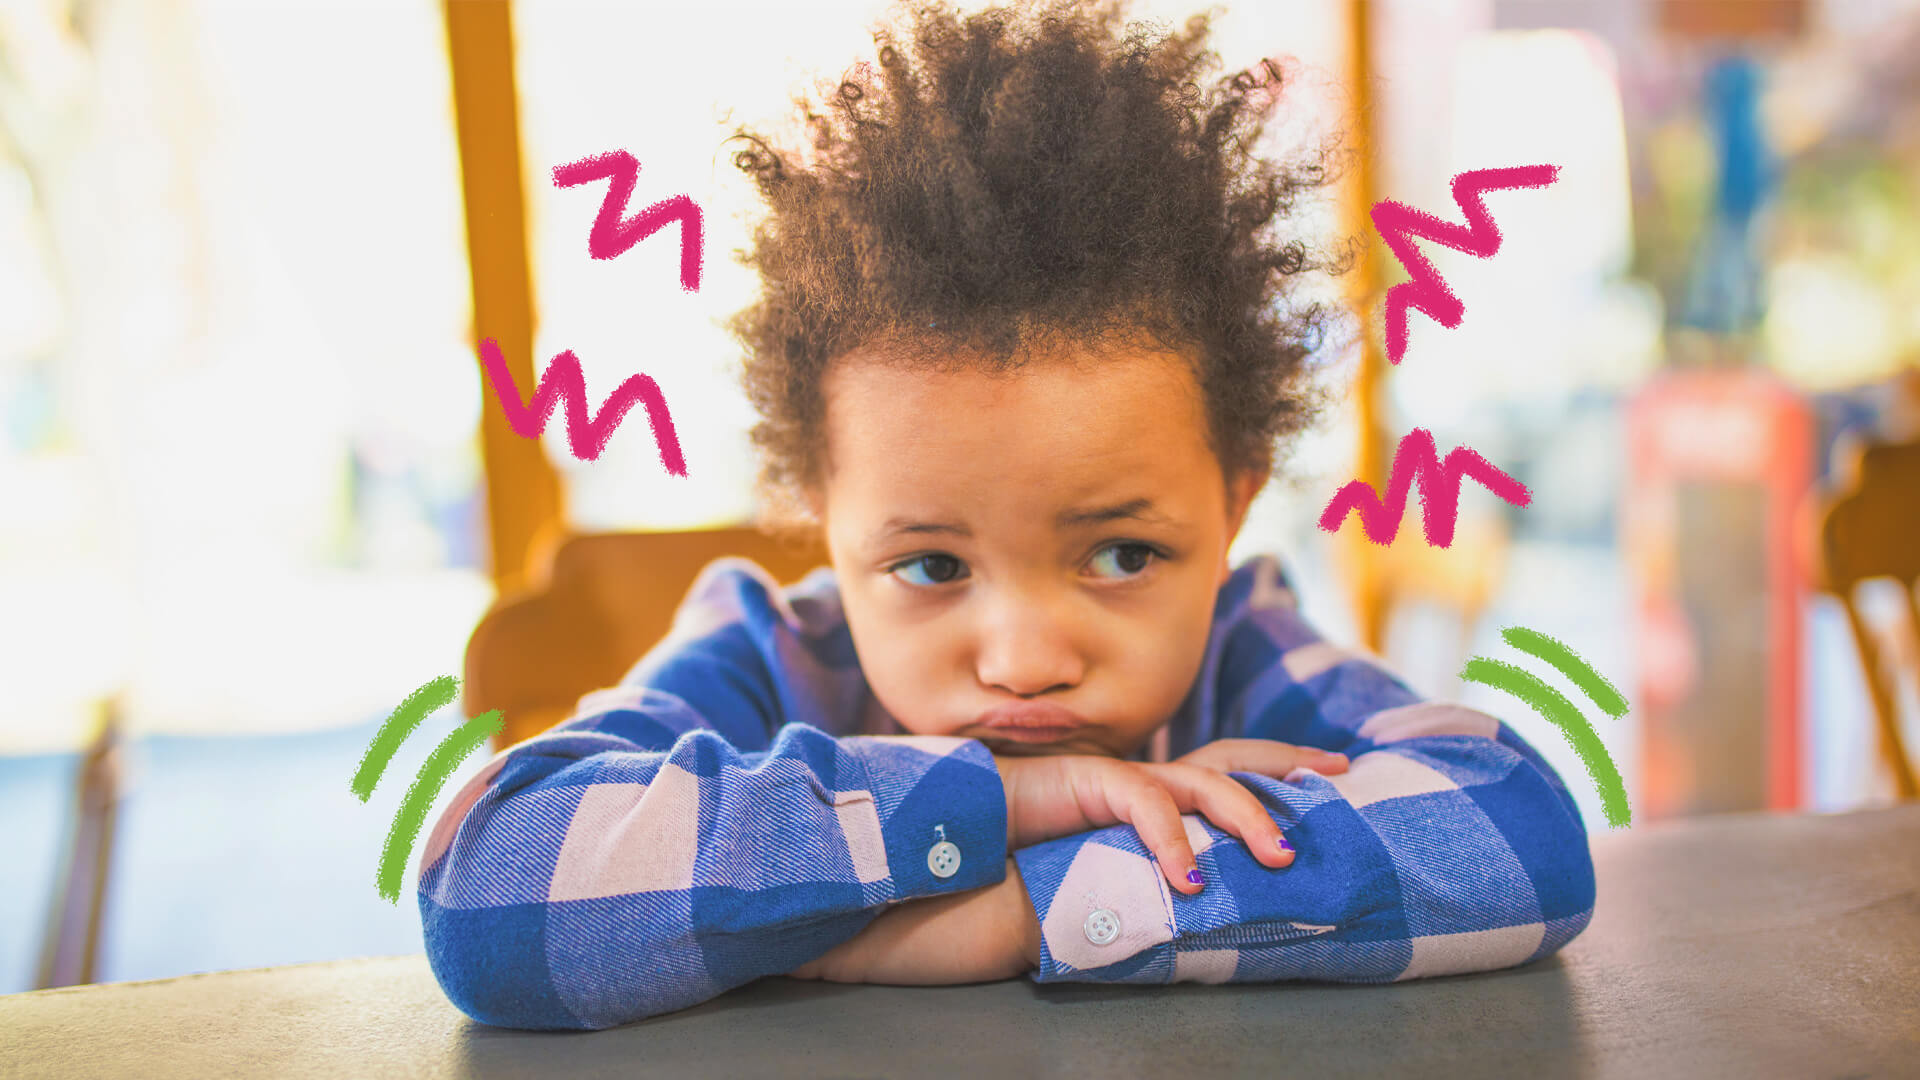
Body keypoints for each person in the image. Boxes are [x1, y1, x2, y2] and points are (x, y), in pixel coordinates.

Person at [418, 0, 1595, 1030]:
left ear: (1234, 504)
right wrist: (993, 803)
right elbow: (486, 885)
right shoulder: (770, 653)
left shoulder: (1238, 653)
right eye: (931, 565)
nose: (1026, 662)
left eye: (1125, 553)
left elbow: (1517, 833)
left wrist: (1023, 908)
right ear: (825, 519)